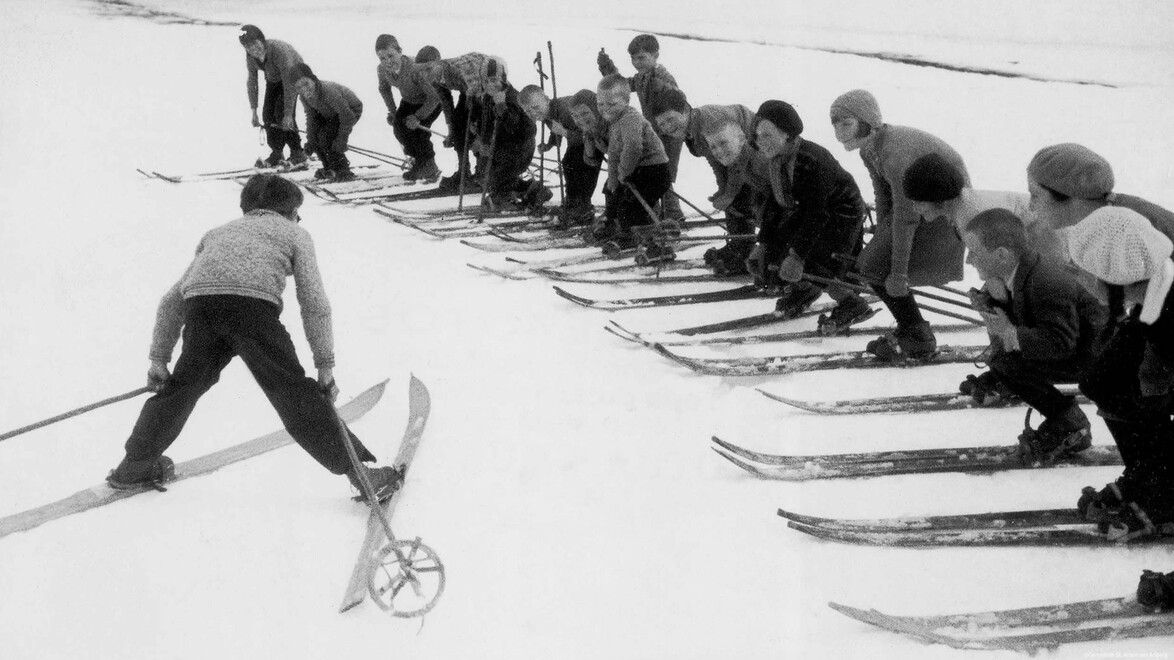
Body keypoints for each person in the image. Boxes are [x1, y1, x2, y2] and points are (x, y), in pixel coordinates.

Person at [106, 174, 402, 500]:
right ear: (289, 211)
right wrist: (325, 365)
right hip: (252, 313)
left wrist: (159, 361)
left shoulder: (216, 234)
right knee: (293, 393)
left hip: (202, 308)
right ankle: (362, 475)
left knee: (180, 390)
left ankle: (133, 467)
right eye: (297, 213)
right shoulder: (295, 234)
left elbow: (170, 303)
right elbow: (315, 304)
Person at [902, 152, 1085, 398]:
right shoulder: (960, 207)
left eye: (918, 201)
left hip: (1043, 235)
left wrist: (993, 299)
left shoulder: (970, 214)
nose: (914, 208)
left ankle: (1017, 368)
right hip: (1035, 236)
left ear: (938, 198)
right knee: (1005, 301)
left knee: (1019, 303)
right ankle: (1009, 365)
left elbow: (997, 273)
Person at [829, 89, 969, 361]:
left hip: (941, 212)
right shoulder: (871, 149)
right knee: (872, 265)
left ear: (867, 121)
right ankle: (912, 330)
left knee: (875, 268)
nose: (839, 133)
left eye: (846, 124)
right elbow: (883, 195)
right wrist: (883, 234)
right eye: (835, 125)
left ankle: (916, 335)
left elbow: (906, 215)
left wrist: (899, 273)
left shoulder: (894, 152)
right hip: (920, 208)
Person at [960, 208, 1107, 463]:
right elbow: (1029, 313)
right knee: (1005, 360)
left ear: (1002, 255)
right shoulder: (1021, 270)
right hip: (1081, 345)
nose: (968, 260)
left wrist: (1012, 334)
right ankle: (1065, 419)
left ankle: (1071, 424)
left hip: (1097, 357)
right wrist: (993, 306)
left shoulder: (1044, 281)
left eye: (974, 251)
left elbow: (1061, 342)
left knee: (1008, 362)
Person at [1065, 209, 1174, 540]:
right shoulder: (1152, 301)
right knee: (1104, 379)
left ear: (1112, 274)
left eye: (1084, 272)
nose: (1079, 282)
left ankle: (1165, 492)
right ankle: (1151, 472)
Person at [647, 90, 758, 274]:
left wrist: (729, 194)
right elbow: (716, 160)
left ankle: (744, 251)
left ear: (685, 110)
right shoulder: (691, 129)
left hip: (755, 155)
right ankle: (737, 244)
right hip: (740, 161)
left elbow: (738, 162)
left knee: (740, 198)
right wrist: (723, 190)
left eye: (670, 119)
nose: (666, 127)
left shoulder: (710, 122)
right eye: (661, 124)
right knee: (732, 197)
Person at [597, 34, 685, 222]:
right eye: (633, 59)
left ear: (656, 55)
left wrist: (665, 94)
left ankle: (673, 214)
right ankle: (658, 211)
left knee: (665, 171)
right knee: (653, 172)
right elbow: (624, 86)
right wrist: (609, 70)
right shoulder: (641, 77)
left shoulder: (663, 78)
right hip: (654, 131)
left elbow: (677, 101)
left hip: (669, 132)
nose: (637, 63)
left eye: (642, 58)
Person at [592, 74, 671, 252]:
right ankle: (613, 223)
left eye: (612, 104)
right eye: (600, 104)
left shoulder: (630, 118)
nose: (605, 109)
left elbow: (633, 147)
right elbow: (613, 153)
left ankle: (632, 235)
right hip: (636, 169)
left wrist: (623, 173)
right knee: (611, 189)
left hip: (654, 171)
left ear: (626, 101)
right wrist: (613, 179)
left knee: (630, 204)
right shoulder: (615, 121)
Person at [520, 85, 601, 226]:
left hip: (593, 142)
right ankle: (572, 201)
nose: (533, 113)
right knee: (568, 164)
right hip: (577, 144)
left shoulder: (563, 110)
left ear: (546, 99)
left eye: (536, 107)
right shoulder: (547, 114)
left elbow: (588, 134)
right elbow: (555, 130)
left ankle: (583, 205)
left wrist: (565, 133)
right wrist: (550, 144)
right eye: (528, 111)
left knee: (580, 169)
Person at [468, 57, 539, 211]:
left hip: (519, 149)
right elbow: (487, 124)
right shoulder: (488, 97)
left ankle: (506, 196)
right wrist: (482, 140)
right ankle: (531, 189)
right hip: (501, 147)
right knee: (483, 174)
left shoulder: (512, 97)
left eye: (494, 80)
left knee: (497, 174)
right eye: (485, 81)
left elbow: (518, 130)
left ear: (503, 79)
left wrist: (501, 106)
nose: (490, 85)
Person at [416, 52, 492, 192]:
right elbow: (446, 102)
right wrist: (452, 132)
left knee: (478, 125)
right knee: (457, 121)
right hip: (468, 88)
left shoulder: (461, 68)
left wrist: (477, 130)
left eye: (428, 69)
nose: (425, 75)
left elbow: (481, 100)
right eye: (421, 71)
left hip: (485, 86)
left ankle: (483, 171)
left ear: (439, 63)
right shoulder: (433, 77)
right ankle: (464, 172)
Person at [375, 35, 442, 181]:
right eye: (382, 58)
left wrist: (418, 116)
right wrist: (393, 112)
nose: (388, 62)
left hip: (431, 102)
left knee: (418, 132)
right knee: (399, 129)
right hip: (409, 100)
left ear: (400, 51)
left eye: (391, 55)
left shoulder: (414, 68)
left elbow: (434, 97)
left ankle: (429, 166)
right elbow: (384, 89)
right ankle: (419, 163)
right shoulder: (381, 70)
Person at [239, 25, 307, 169]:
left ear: (262, 40)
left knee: (282, 115)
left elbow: (289, 84)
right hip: (274, 77)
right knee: (268, 116)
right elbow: (252, 82)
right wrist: (254, 111)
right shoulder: (251, 57)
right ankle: (277, 152)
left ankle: (298, 153)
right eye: (247, 47)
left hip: (294, 76)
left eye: (254, 44)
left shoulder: (278, 51)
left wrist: (288, 114)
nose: (252, 49)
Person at [291, 63, 363, 182]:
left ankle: (342, 169)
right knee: (317, 137)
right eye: (299, 87)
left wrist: (341, 140)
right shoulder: (304, 97)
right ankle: (329, 167)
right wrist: (310, 141)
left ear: (313, 79)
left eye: (306, 83)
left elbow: (347, 116)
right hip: (329, 113)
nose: (304, 89)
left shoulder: (327, 91)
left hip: (350, 111)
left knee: (327, 136)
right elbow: (311, 118)